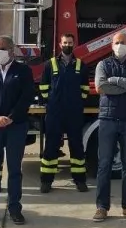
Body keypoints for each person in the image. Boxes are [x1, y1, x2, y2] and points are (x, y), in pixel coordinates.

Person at [0, 35, 35, 226]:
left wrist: (10, 117)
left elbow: (26, 97)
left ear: (12, 50)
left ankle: (15, 209)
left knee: (15, 170)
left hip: (16, 126)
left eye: (2, 48)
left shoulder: (23, 71)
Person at [92, 32, 126, 222]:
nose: (120, 45)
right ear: (111, 45)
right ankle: (102, 207)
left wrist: (114, 80)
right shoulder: (103, 65)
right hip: (107, 119)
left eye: (123, 42)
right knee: (104, 164)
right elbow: (100, 87)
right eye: (117, 42)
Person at [38, 33, 90, 193]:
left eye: (70, 42)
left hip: (74, 113)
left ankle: (80, 180)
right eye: (65, 42)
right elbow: (43, 87)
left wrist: (75, 103)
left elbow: (85, 89)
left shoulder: (81, 65)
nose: (67, 45)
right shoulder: (50, 64)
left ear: (74, 44)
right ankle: (46, 181)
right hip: (55, 113)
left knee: (76, 146)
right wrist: (53, 101)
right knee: (51, 146)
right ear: (60, 45)